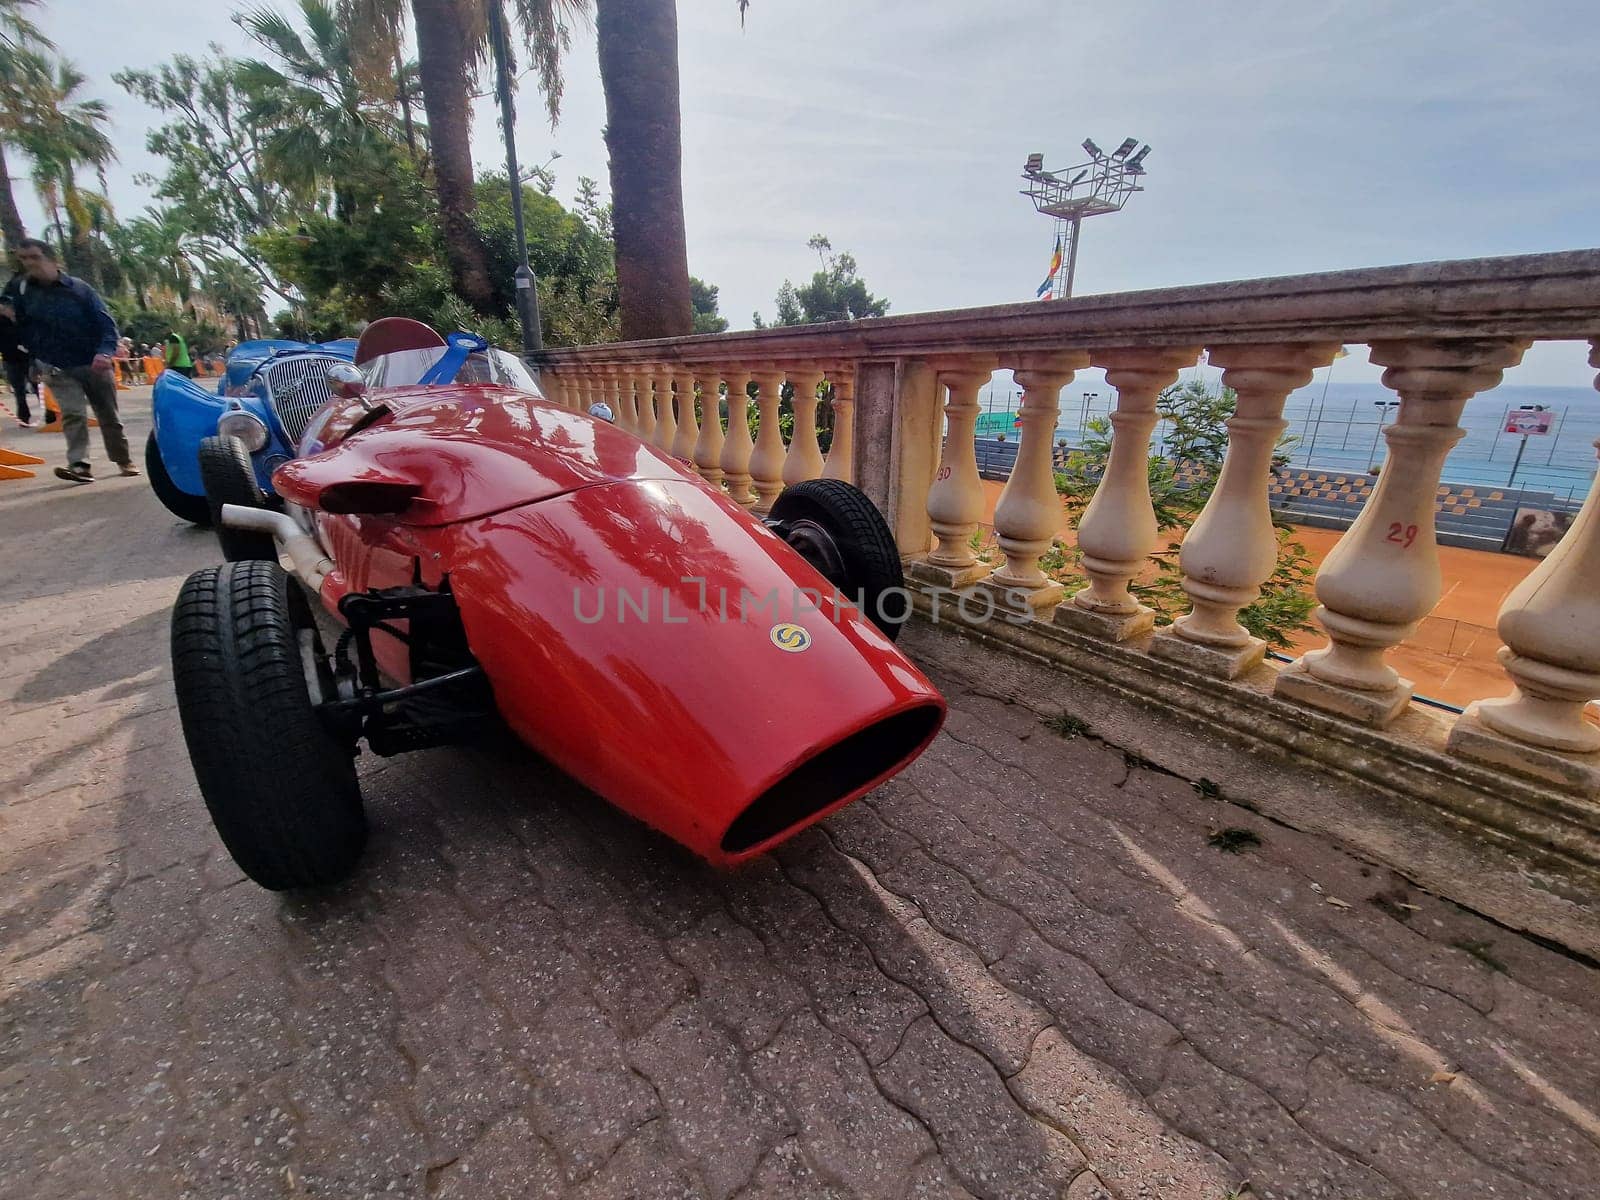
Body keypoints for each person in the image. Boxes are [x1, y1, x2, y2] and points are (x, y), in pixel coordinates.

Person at [0, 238, 137, 483]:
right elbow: (24, 330)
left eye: (34, 257)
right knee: (73, 414)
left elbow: (105, 324)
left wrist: (105, 352)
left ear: (52, 259)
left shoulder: (80, 289)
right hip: (56, 366)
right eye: (23, 259)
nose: (29, 263)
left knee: (109, 416)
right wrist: (33, 361)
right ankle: (80, 465)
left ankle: (123, 460)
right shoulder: (22, 293)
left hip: (93, 362)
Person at [1, 267, 37, 428]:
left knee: (37, 386)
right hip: (11, 359)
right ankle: (24, 417)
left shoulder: (24, 317)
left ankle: (52, 414)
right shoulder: (1, 323)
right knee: (19, 390)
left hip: (28, 358)